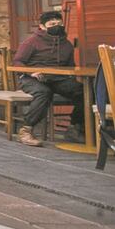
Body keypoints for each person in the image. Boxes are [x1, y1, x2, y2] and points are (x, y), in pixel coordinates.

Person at [13, 11, 84, 147]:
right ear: (42, 26)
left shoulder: (66, 44)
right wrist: (32, 72)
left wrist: (70, 78)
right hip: (31, 78)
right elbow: (17, 62)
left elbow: (70, 66)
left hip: (57, 79)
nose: (56, 26)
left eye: (59, 23)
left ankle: (75, 128)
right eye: (52, 24)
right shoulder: (31, 42)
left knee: (83, 91)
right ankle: (25, 130)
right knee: (43, 92)